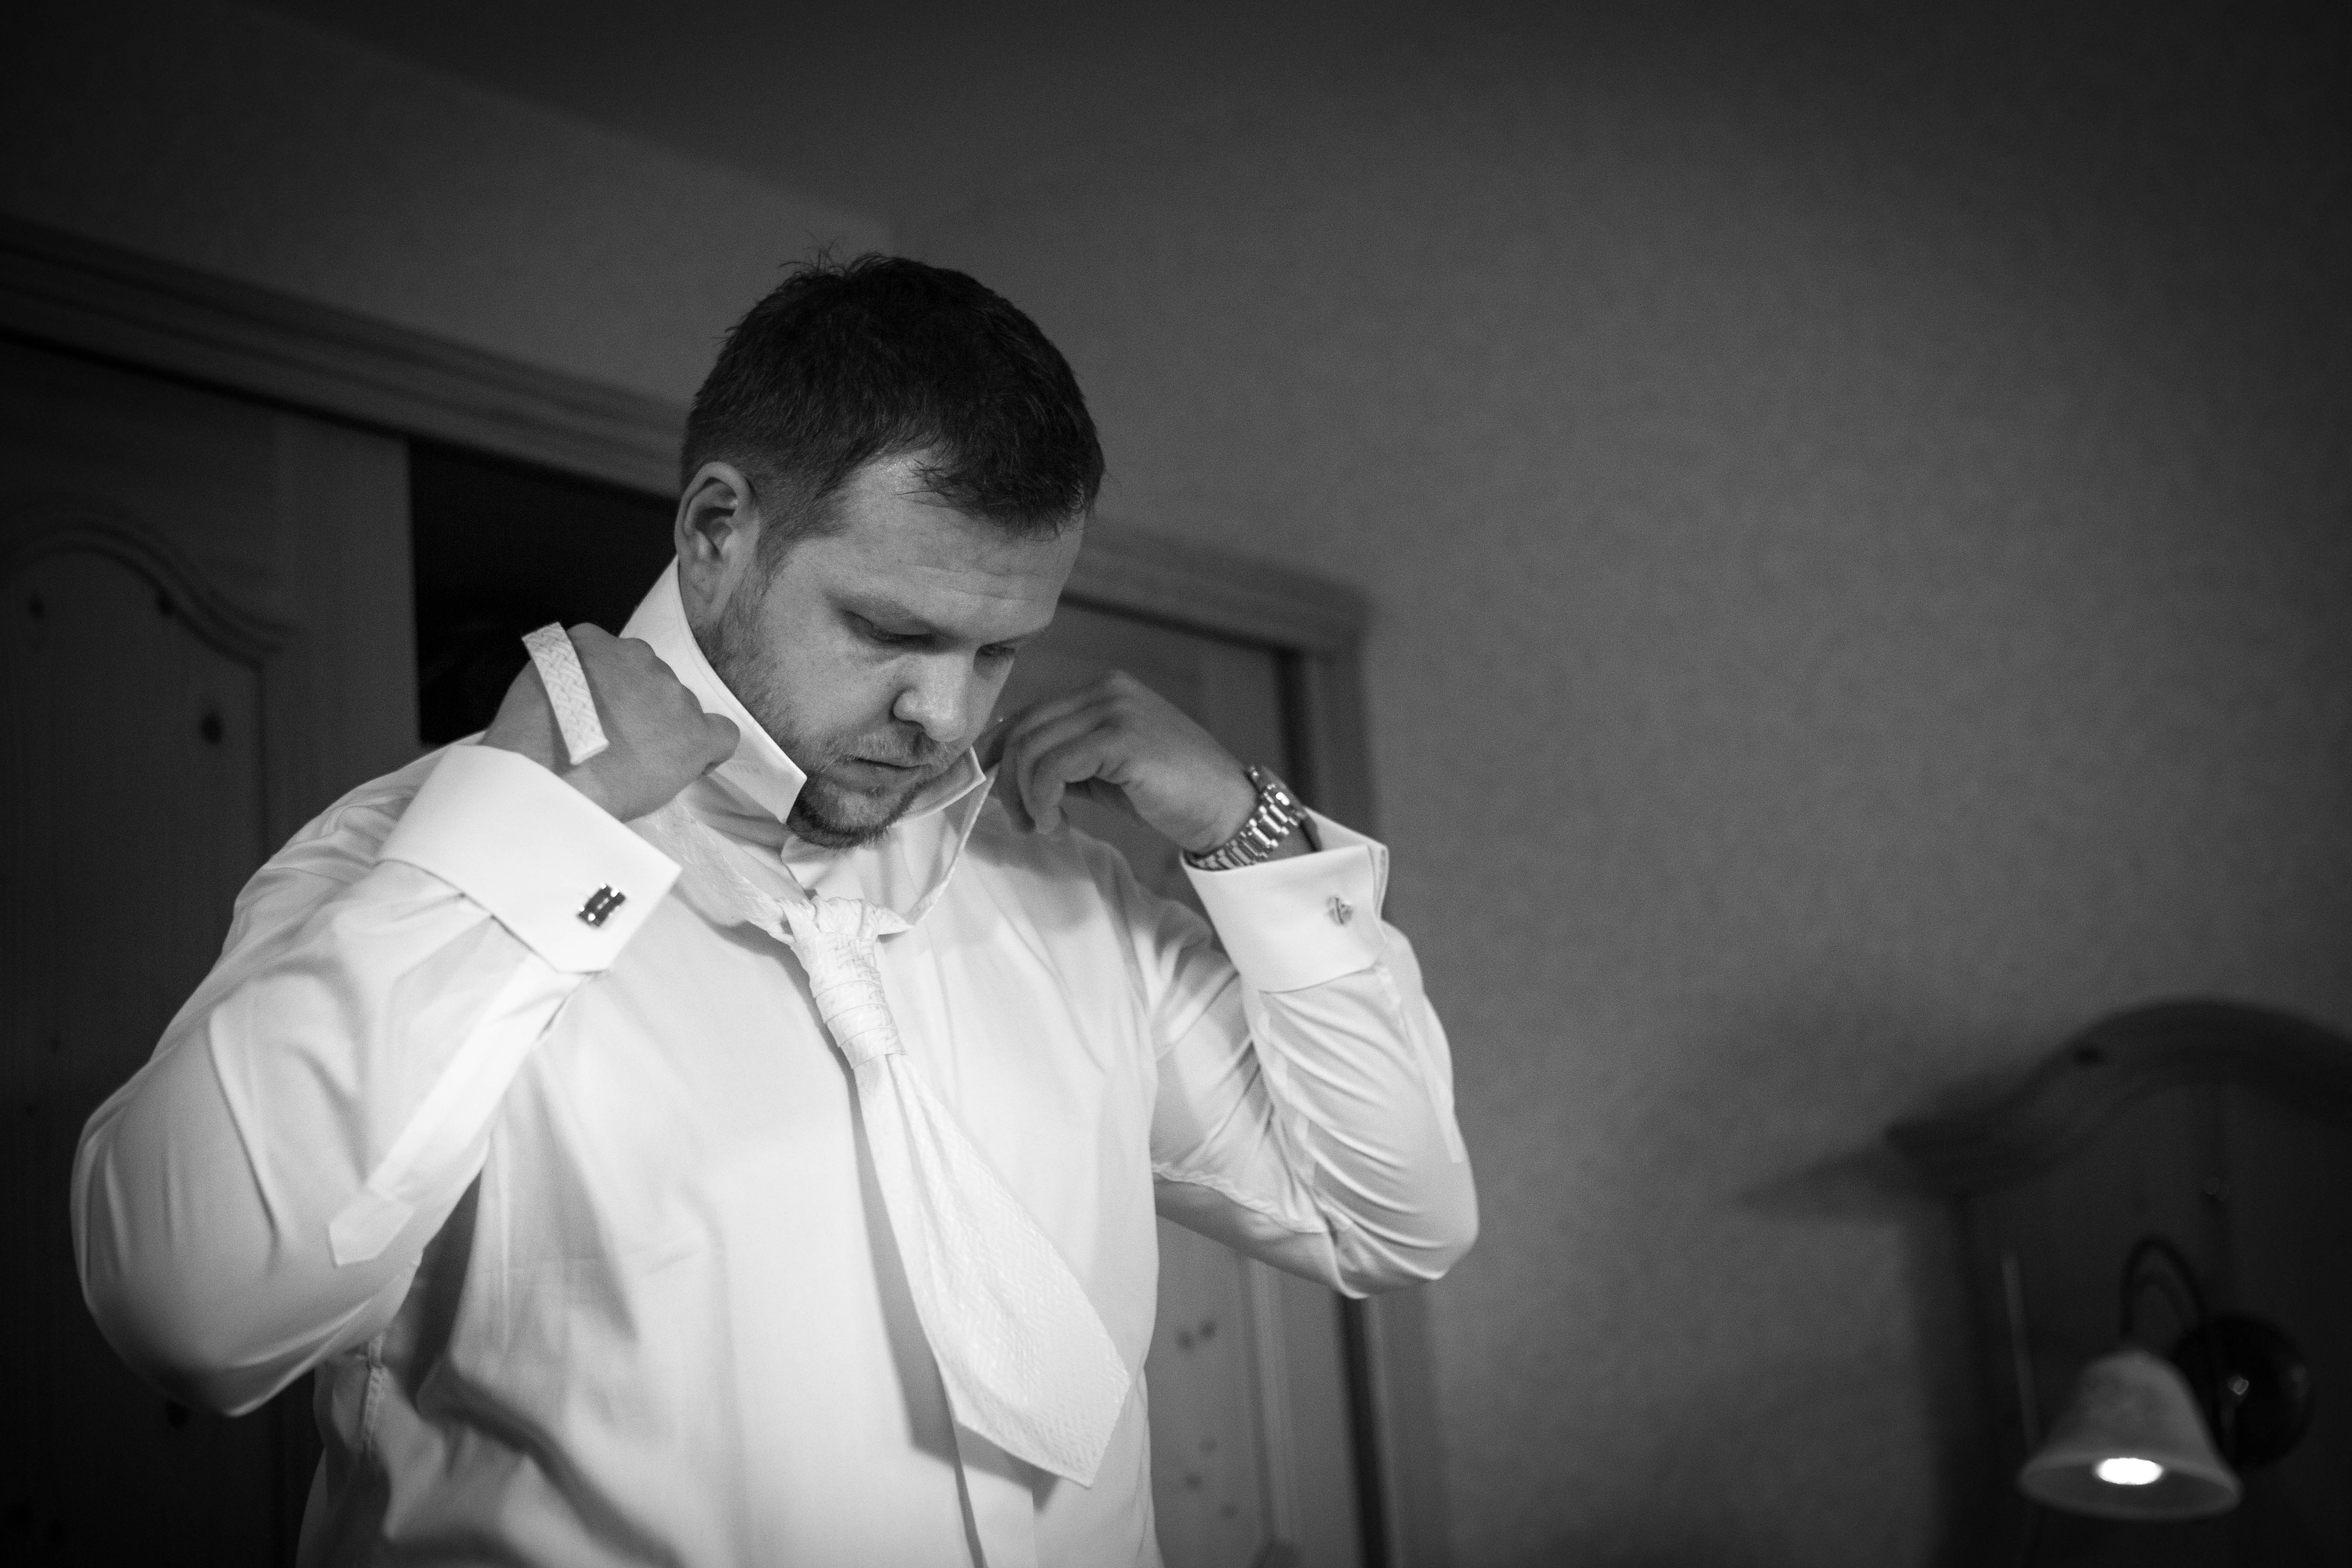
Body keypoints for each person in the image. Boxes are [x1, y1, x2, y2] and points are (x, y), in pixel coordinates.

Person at [72, 255, 1476, 1567]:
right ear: (717, 533)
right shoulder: (415, 857)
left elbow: (1390, 1218)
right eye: (891, 631)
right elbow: (192, 1315)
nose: (946, 715)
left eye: (999, 651)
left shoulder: (1069, 899)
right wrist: (526, 844)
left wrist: (1247, 829)